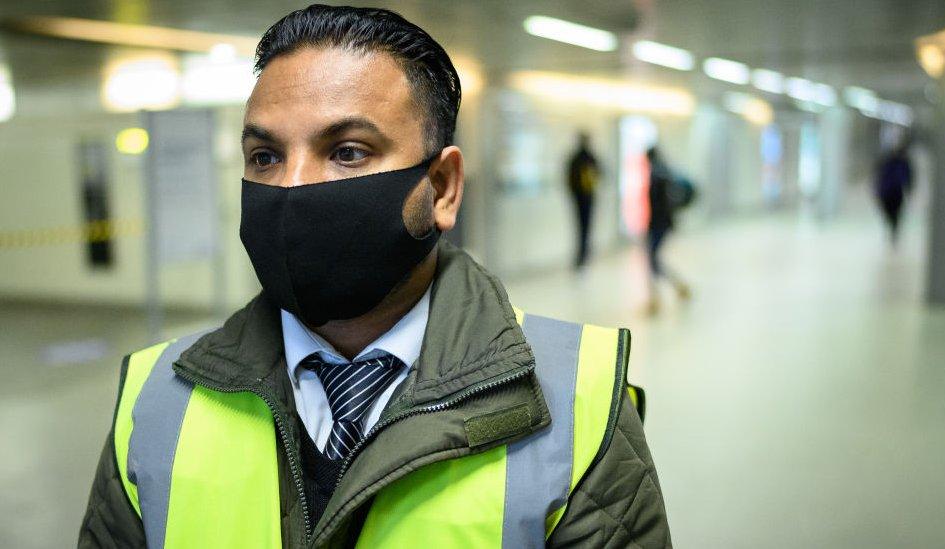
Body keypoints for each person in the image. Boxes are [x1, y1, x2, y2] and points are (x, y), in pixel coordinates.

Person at [78, 5, 671, 548]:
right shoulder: (157, 401)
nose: (291, 188)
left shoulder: (574, 405)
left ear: (441, 188)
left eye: (349, 152)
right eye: (266, 157)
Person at [646, 146, 690, 314]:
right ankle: (675, 288)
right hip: (663, 223)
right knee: (653, 260)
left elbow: (658, 205)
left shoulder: (657, 175)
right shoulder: (665, 172)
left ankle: (657, 298)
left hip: (658, 224)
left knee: (653, 260)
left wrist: (652, 224)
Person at [566, 132, 600, 268]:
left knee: (581, 227)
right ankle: (583, 256)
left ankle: (582, 256)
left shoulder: (576, 157)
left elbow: (569, 178)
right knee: (585, 227)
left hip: (580, 197)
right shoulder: (590, 157)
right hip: (587, 197)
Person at [874, 140, 914, 246]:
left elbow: (908, 177)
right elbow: (878, 176)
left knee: (895, 212)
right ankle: (892, 227)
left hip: (896, 191)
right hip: (886, 191)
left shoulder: (903, 163)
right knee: (889, 212)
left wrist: (909, 189)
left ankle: (893, 230)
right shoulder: (885, 162)